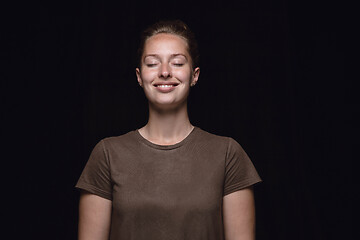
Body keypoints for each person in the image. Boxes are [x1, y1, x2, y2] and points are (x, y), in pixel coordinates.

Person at [76, 19, 262, 240]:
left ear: (195, 75)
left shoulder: (228, 154)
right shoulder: (107, 154)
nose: (164, 72)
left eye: (177, 62)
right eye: (153, 63)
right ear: (139, 76)